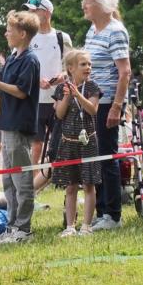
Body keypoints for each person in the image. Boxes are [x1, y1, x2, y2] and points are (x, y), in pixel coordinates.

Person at [0, 11, 41, 244]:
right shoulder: (14, 58)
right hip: (6, 123)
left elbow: (21, 91)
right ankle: (12, 226)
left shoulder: (30, 60)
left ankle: (23, 229)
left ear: (22, 33)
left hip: (19, 125)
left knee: (21, 179)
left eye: (10, 29)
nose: (6, 33)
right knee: (8, 180)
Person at [82, 0, 132, 230]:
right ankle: (101, 209)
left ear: (103, 5)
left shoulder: (115, 31)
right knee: (95, 156)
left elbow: (125, 72)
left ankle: (112, 214)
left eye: (88, 1)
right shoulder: (92, 31)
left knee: (106, 156)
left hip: (107, 102)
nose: (84, 5)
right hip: (92, 102)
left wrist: (116, 106)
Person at [23, 0, 72, 191]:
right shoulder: (27, 37)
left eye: (34, 10)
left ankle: (58, 181)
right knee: (35, 145)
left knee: (58, 144)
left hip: (58, 98)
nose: (31, 14)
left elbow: (71, 65)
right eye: (29, 11)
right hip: (35, 99)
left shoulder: (61, 37)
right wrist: (36, 80)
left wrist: (62, 75)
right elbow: (21, 68)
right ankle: (32, 187)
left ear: (47, 12)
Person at [51, 50, 102, 236]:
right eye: (83, 64)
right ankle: (70, 226)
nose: (88, 67)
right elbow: (59, 114)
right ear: (71, 68)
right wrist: (67, 96)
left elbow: (93, 110)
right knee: (70, 186)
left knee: (89, 185)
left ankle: (87, 226)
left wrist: (78, 95)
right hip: (68, 144)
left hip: (88, 143)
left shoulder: (92, 87)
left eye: (89, 64)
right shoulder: (61, 89)